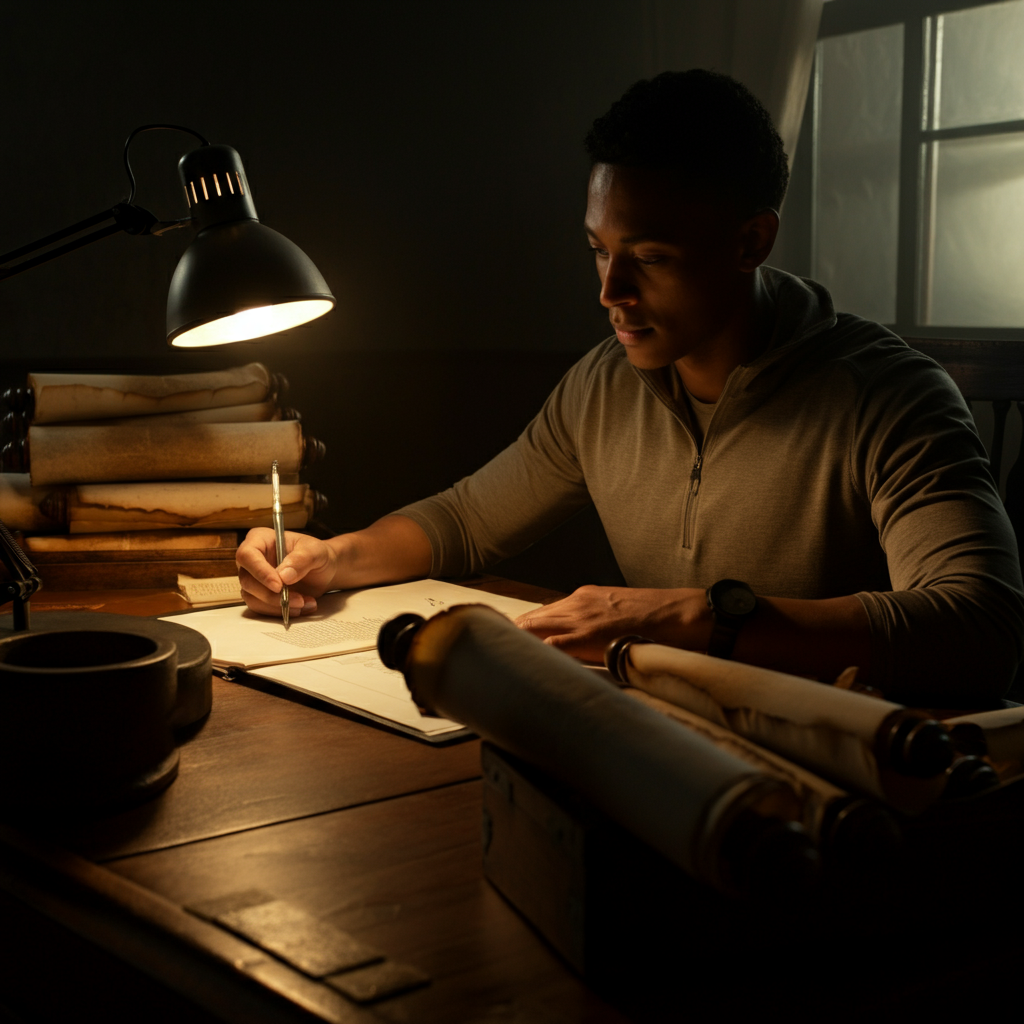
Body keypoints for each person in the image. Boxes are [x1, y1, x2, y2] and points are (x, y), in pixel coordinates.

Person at [238, 70, 1023, 700]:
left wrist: (690, 613)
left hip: (853, 789)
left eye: (649, 257)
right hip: (660, 737)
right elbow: (467, 520)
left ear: (752, 241)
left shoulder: (888, 396)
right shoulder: (607, 384)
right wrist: (332, 559)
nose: (610, 290)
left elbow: (980, 626)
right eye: (597, 250)